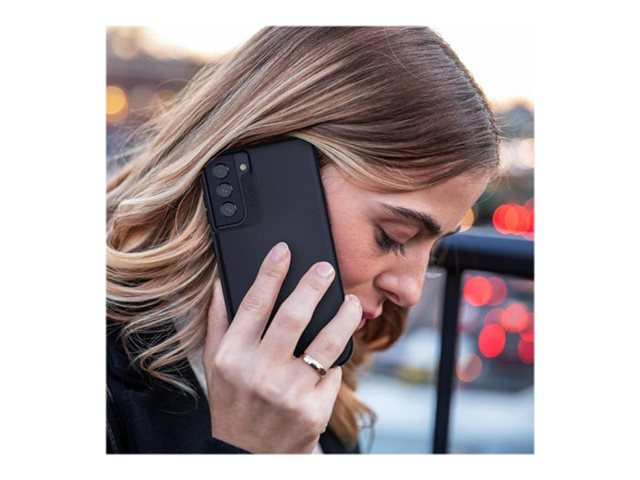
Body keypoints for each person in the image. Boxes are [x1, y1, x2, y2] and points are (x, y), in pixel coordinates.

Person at [106, 26, 500, 454]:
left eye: (435, 247)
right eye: (392, 236)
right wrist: (250, 448)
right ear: (267, 169)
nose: (411, 290)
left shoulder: (316, 369)